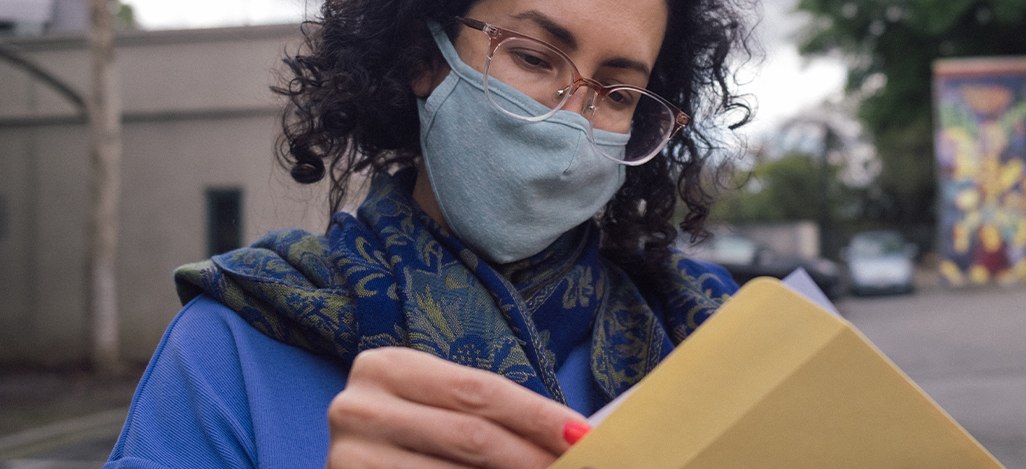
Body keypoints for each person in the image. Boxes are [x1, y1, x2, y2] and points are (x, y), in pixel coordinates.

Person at [106, 0, 752, 467]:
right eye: (531, 57)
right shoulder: (231, 346)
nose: (569, 124)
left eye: (617, 94)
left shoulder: (718, 336)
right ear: (423, 56)